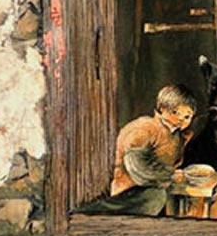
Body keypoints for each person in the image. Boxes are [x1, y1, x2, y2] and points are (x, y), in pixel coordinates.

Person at [76, 84, 197, 216]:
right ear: (162, 109)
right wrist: (169, 175)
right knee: (156, 196)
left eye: (187, 117)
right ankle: (90, 213)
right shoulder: (146, 128)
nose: (180, 119)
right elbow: (135, 164)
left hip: (156, 185)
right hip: (130, 188)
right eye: (175, 113)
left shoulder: (177, 136)